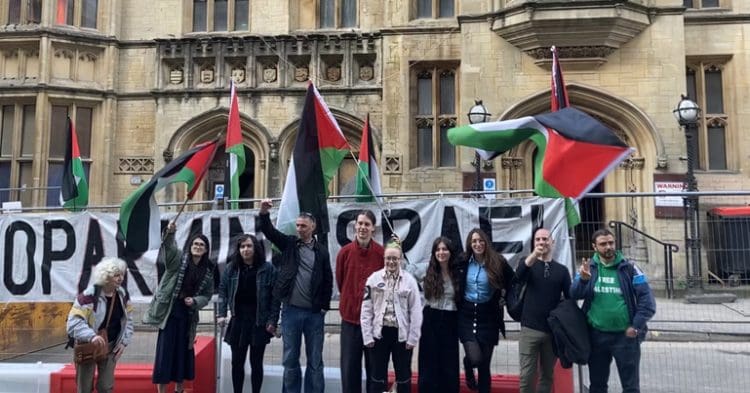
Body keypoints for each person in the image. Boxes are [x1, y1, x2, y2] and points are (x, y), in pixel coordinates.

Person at [258, 199, 333, 393]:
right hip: (291, 312)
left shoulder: (322, 252)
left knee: (315, 361)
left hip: (314, 315)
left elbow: (328, 279)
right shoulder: (290, 244)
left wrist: (324, 306)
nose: (299, 229)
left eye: (303, 226)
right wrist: (264, 213)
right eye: (297, 225)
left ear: (313, 227)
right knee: (290, 359)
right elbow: (270, 232)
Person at [570, 228, 656, 393]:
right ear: (594, 247)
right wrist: (582, 280)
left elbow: (647, 302)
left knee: (630, 387)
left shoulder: (630, 268)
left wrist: (636, 325)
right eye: (603, 244)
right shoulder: (588, 268)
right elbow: (573, 294)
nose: (608, 247)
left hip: (625, 337)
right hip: (596, 336)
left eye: (611, 243)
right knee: (597, 386)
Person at [144, 222, 215, 393]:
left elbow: (207, 295)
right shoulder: (177, 259)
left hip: (188, 317)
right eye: (195, 244)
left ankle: (179, 389)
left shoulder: (207, 272)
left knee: (183, 354)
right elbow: (168, 248)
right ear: (190, 246)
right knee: (165, 354)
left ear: (206, 250)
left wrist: (196, 301)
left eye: (202, 245)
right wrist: (170, 233)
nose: (198, 247)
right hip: (170, 313)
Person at [217, 234, 277, 393]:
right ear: (238, 250)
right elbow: (222, 291)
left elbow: (275, 298)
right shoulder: (231, 268)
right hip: (238, 321)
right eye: (242, 247)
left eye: (249, 246)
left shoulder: (267, 268)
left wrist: (273, 320)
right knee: (237, 362)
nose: (245, 249)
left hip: (259, 322)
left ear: (255, 248)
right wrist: (221, 314)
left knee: (256, 363)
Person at [457, 228, 514, 393]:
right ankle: (468, 366)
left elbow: (513, 281)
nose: (478, 244)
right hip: (466, 315)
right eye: (474, 241)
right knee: (475, 358)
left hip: (489, 316)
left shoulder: (498, 261)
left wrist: (505, 297)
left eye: (481, 240)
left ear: (486, 243)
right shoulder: (463, 261)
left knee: (484, 365)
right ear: (469, 244)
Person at [360, 241, 422, 393]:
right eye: (388, 258)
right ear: (384, 259)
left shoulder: (410, 281)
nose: (391, 262)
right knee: (377, 377)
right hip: (379, 335)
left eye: (395, 258)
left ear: (400, 259)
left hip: (402, 336)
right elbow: (366, 310)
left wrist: (413, 338)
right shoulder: (373, 280)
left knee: (403, 377)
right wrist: (367, 337)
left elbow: (416, 311)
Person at [515, 228, 571, 393]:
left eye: (545, 239)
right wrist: (534, 256)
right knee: (527, 376)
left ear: (552, 242)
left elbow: (570, 298)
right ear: (534, 243)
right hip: (529, 329)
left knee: (547, 375)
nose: (542, 242)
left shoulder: (562, 270)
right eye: (538, 239)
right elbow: (517, 277)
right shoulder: (527, 263)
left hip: (551, 332)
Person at [67, 257, 134, 393]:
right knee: (84, 388)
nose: (121, 278)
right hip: (88, 346)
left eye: (122, 274)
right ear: (106, 276)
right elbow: (73, 323)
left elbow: (129, 320)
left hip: (111, 346)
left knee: (106, 387)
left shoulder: (123, 295)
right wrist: (91, 336)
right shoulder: (88, 296)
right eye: (116, 275)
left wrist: (124, 342)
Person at [335, 209, 384, 393]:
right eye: (360, 223)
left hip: (375, 324)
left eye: (367, 224)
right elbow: (341, 282)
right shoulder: (344, 253)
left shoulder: (381, 254)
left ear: (373, 228)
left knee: (375, 371)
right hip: (350, 323)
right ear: (355, 226)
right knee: (349, 371)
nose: (363, 227)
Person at [417, 237, 461, 393]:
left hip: (450, 320)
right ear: (434, 252)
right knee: (428, 364)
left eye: (444, 249)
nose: (441, 252)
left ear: (450, 252)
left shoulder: (457, 272)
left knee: (448, 364)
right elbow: (404, 268)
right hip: (430, 319)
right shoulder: (425, 269)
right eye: (438, 250)